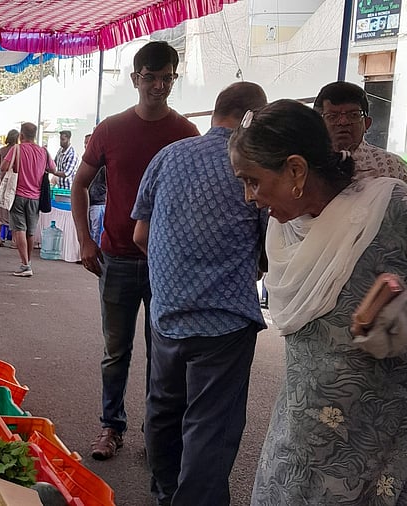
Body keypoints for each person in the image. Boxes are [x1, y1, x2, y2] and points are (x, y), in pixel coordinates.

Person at [229, 99, 407, 504]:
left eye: (252, 181)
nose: (248, 197)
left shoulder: (395, 213)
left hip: (393, 441)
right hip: (303, 433)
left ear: (295, 170)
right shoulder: (285, 231)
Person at [131, 82, 269, 505]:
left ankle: (166, 494)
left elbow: (140, 234)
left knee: (164, 411)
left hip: (168, 314)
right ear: (251, 117)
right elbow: (268, 253)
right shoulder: (254, 165)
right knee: (210, 426)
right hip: (224, 323)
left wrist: (176, 273)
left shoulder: (169, 156)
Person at [70, 40, 199, 460]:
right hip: (117, 259)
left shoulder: (186, 133)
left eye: (167, 78)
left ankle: (154, 433)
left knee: (164, 352)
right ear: (135, 79)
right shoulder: (110, 129)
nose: (158, 86)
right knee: (116, 350)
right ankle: (111, 426)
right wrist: (85, 239)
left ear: (173, 79)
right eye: (150, 77)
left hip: (167, 263)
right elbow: (79, 184)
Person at [313, 81, 407, 192]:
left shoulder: (392, 166)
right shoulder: (308, 165)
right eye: (332, 116)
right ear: (317, 124)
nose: (343, 122)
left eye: (353, 115)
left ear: (367, 123)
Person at [0, 121, 65, 277]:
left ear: (21, 135)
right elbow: (53, 170)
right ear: (34, 136)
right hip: (36, 197)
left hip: (18, 194)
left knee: (19, 229)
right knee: (30, 231)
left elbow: (3, 167)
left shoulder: (17, 149)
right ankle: (27, 263)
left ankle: (25, 264)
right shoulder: (43, 151)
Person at [84, 133, 106, 246]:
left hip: (98, 202)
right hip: (87, 202)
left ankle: (95, 255)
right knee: (88, 230)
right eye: (85, 143)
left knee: (96, 231)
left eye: (88, 143)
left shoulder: (102, 164)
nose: (85, 146)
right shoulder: (84, 163)